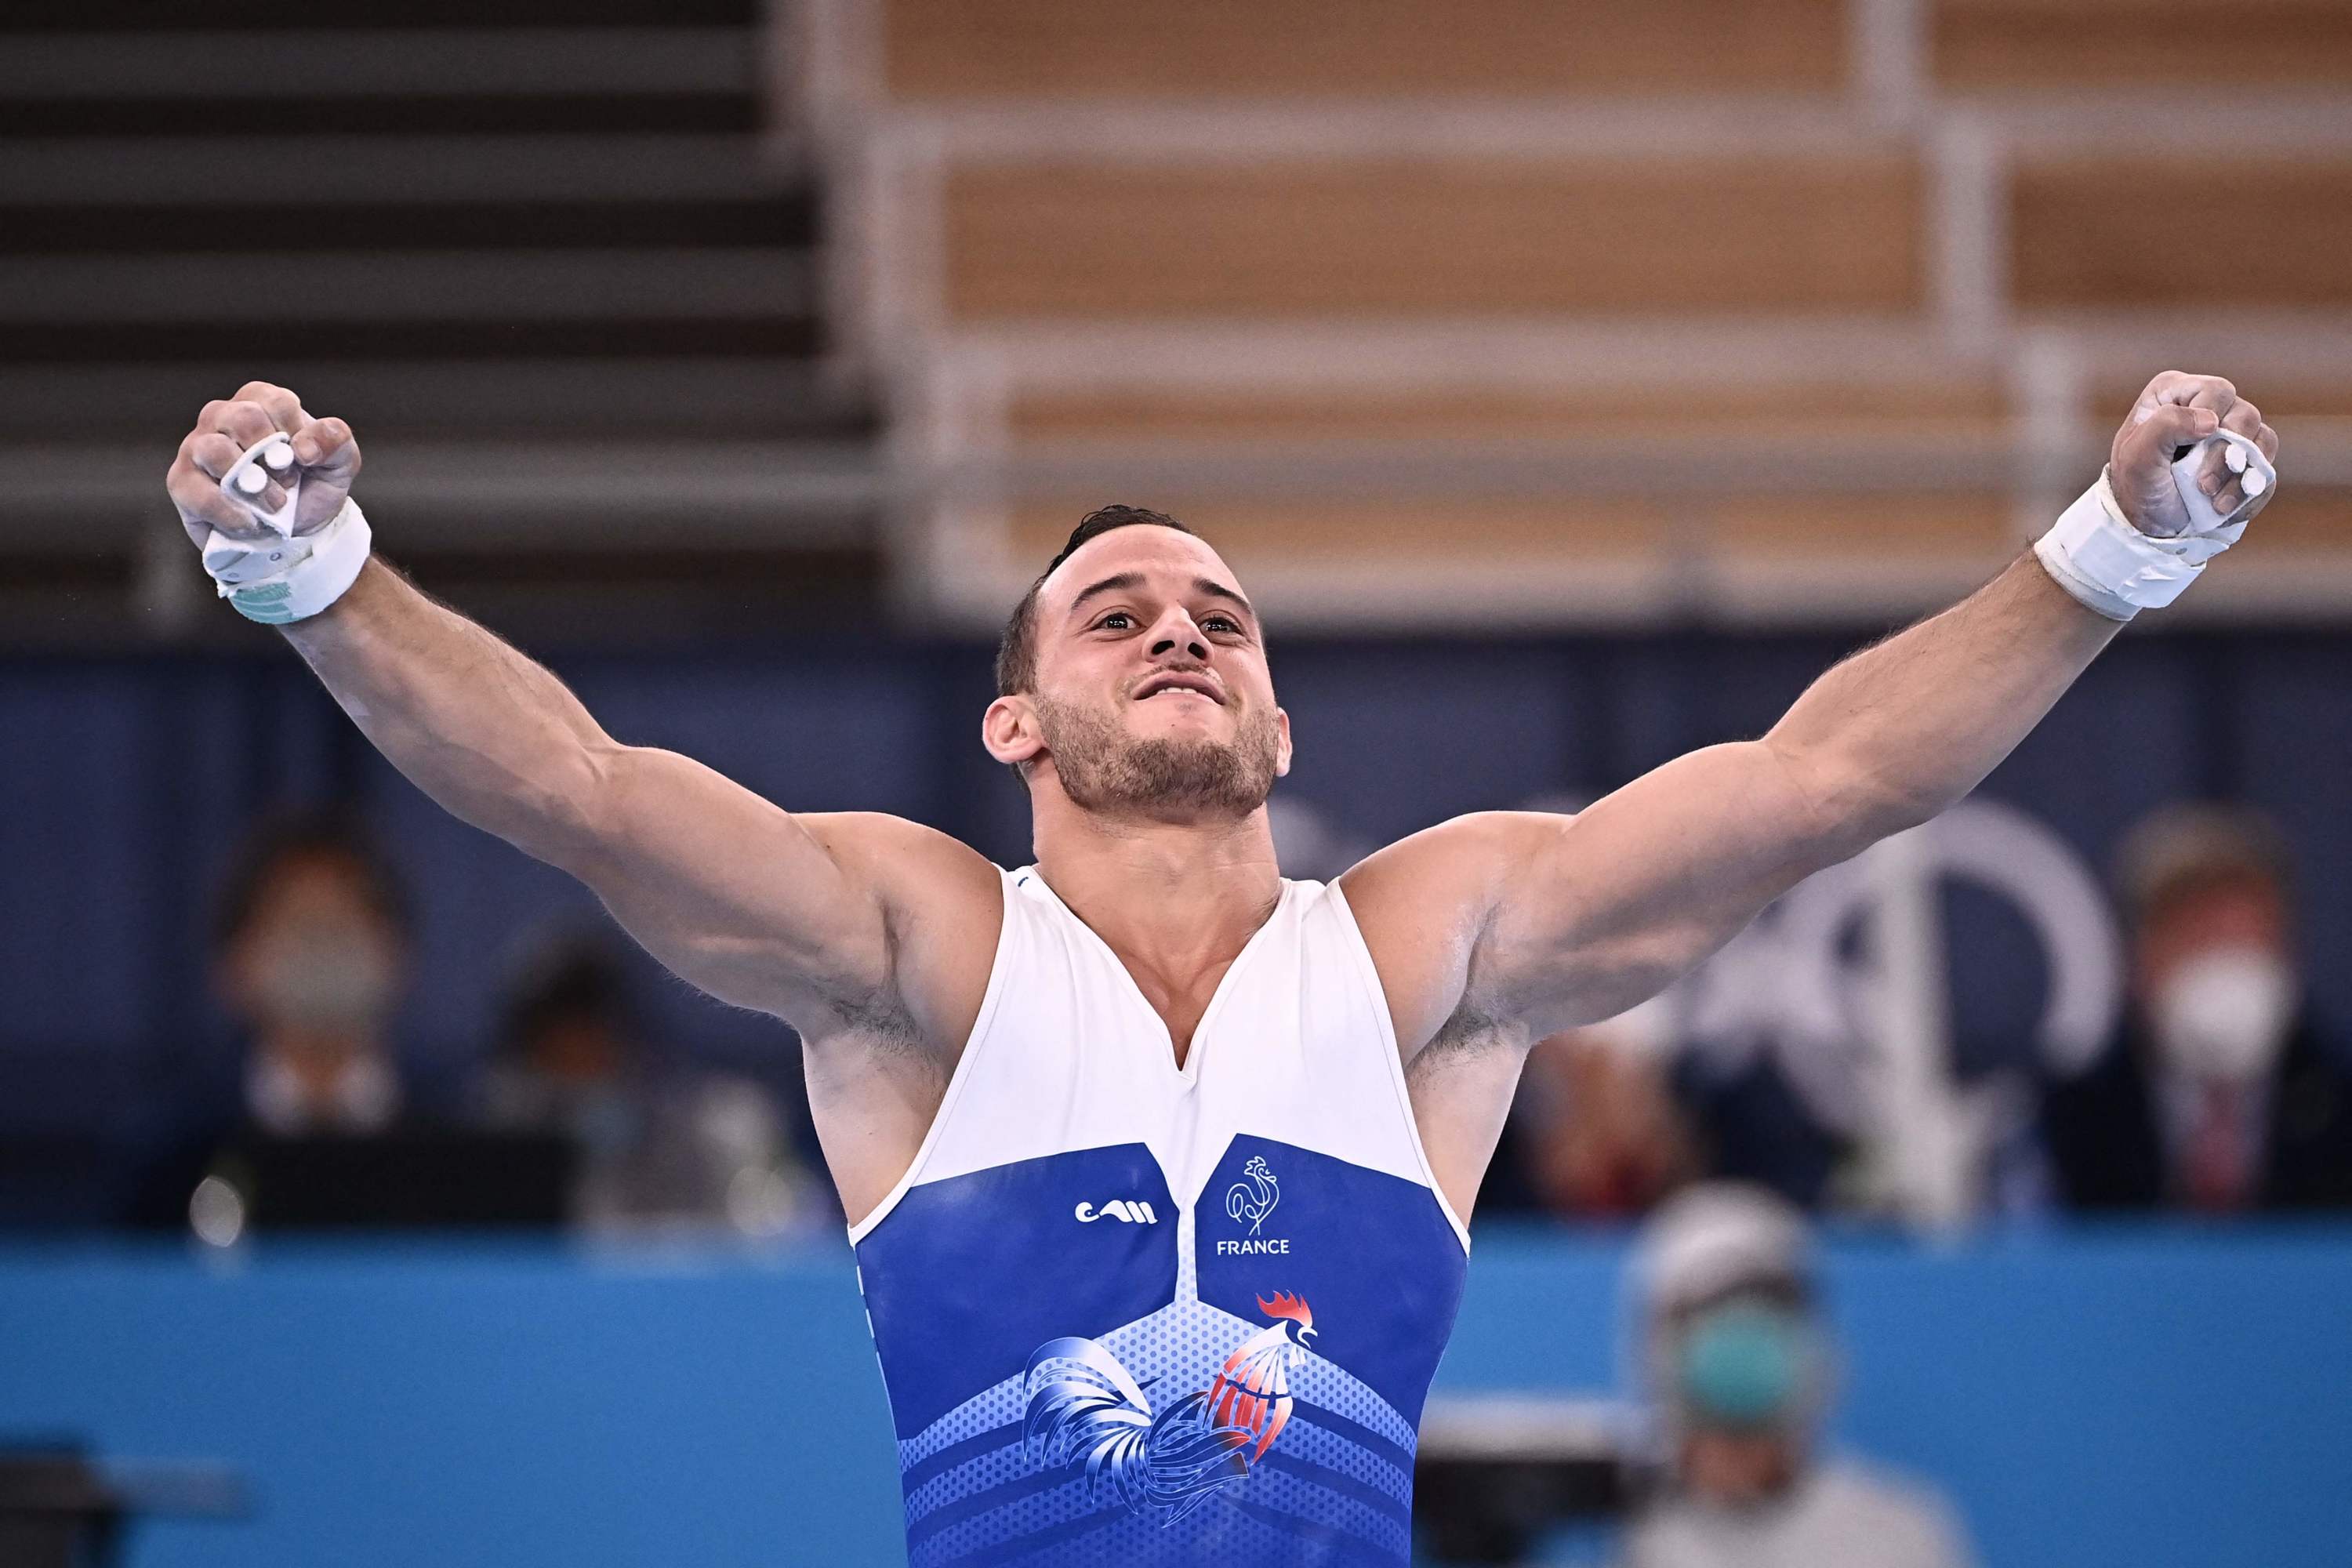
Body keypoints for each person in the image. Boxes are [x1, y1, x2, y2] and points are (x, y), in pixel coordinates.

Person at [164, 371, 2273, 1565]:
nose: (1182, 627)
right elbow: (584, 791)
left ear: (1277, 729)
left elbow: (1818, 781)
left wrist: (2116, 550)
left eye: (1223, 617)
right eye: (1116, 613)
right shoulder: (924, 953)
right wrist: (314, 577)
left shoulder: (1429, 955)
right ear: (1014, 726)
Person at [1620, 1185, 1976, 1568]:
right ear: (1656, 1348)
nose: (1740, 1346)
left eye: (1767, 1313)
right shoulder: (1611, 1535)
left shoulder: (1901, 1536)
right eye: (1711, 1317)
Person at [2042, 804, 2352, 1212]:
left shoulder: (2341, 1104)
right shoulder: (2068, 1123)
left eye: (2244, 941)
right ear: (2138, 960)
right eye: (2197, 940)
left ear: (2288, 955)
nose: (2221, 968)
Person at [124, 805, 416, 1225]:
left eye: (343, 921)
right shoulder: (172, 1158)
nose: (321, 946)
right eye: (296, 921)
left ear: (399, 954)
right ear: (231, 965)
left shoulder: (467, 1141)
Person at [477, 925, 821, 1236]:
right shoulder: (504, 1119)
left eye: (587, 1023)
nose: (574, 1043)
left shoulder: (720, 1118)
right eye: (556, 1030)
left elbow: (790, 1229)